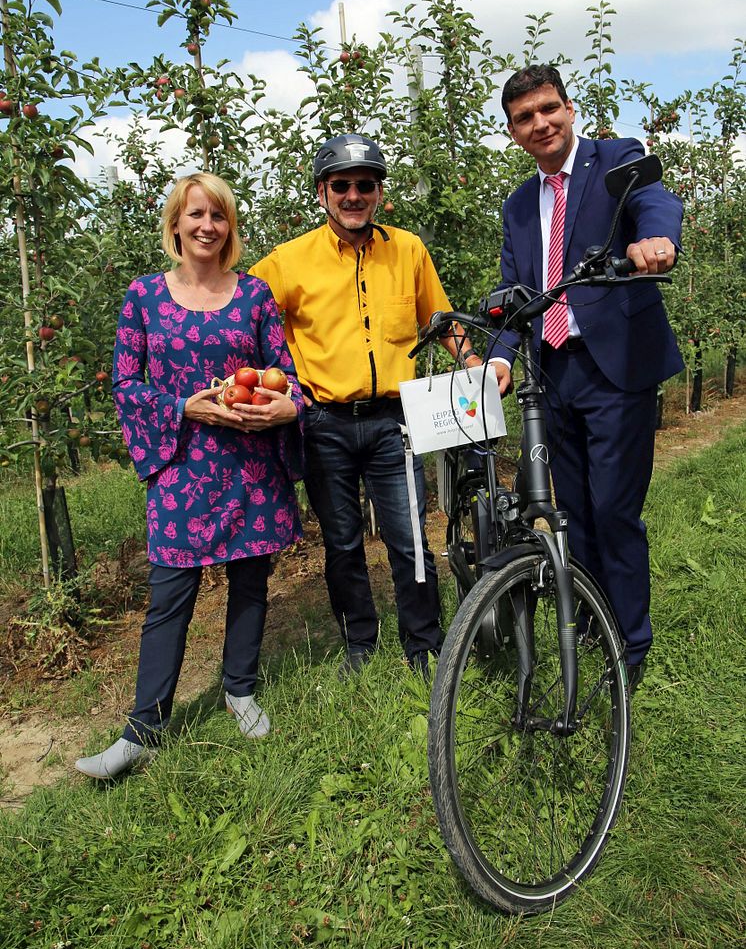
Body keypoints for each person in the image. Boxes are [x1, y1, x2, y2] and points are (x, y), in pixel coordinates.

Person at [75, 173, 304, 779]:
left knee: (250, 582)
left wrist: (288, 406)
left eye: (219, 216)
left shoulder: (254, 296)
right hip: (181, 465)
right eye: (196, 214)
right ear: (175, 222)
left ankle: (240, 689)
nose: (207, 226)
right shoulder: (144, 297)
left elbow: (285, 374)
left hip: (251, 465)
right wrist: (184, 406)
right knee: (170, 595)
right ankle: (144, 728)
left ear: (230, 227)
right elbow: (127, 384)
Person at [251, 133, 481, 676]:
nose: (354, 195)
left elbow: (440, 321)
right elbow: (244, 320)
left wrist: (471, 361)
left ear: (379, 192)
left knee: (409, 539)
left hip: (394, 421)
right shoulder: (288, 262)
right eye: (342, 185)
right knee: (343, 543)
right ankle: (360, 644)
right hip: (324, 422)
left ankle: (423, 645)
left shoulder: (408, 250)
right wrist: (271, 380)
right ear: (322, 192)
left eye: (365, 185)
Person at [492, 64, 683, 690]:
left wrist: (655, 238)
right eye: (525, 117)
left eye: (549, 109)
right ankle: (598, 623)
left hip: (615, 369)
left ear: (569, 109)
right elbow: (513, 290)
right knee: (569, 513)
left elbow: (655, 200)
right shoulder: (520, 204)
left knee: (614, 510)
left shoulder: (617, 159)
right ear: (514, 132)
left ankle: (631, 647)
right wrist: (496, 354)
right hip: (550, 373)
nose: (540, 123)